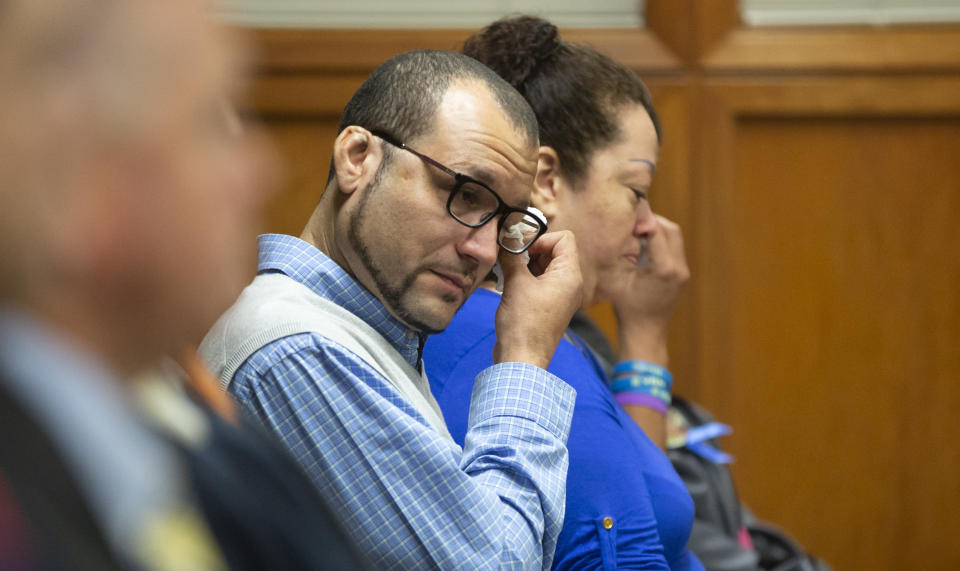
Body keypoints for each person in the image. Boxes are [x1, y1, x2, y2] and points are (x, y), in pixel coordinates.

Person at [0, 1, 367, 568]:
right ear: (74, 186)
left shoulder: (136, 440)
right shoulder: (21, 530)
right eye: (210, 123)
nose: (261, 169)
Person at [199, 49, 584, 568]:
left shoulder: (362, 332)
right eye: (465, 194)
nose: (486, 252)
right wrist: (524, 356)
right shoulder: (295, 348)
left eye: (504, 220)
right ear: (357, 157)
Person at [422, 16, 703, 570]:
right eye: (636, 191)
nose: (650, 223)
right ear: (546, 179)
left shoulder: (541, 331)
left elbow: (634, 490)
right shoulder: (502, 337)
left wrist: (644, 333)